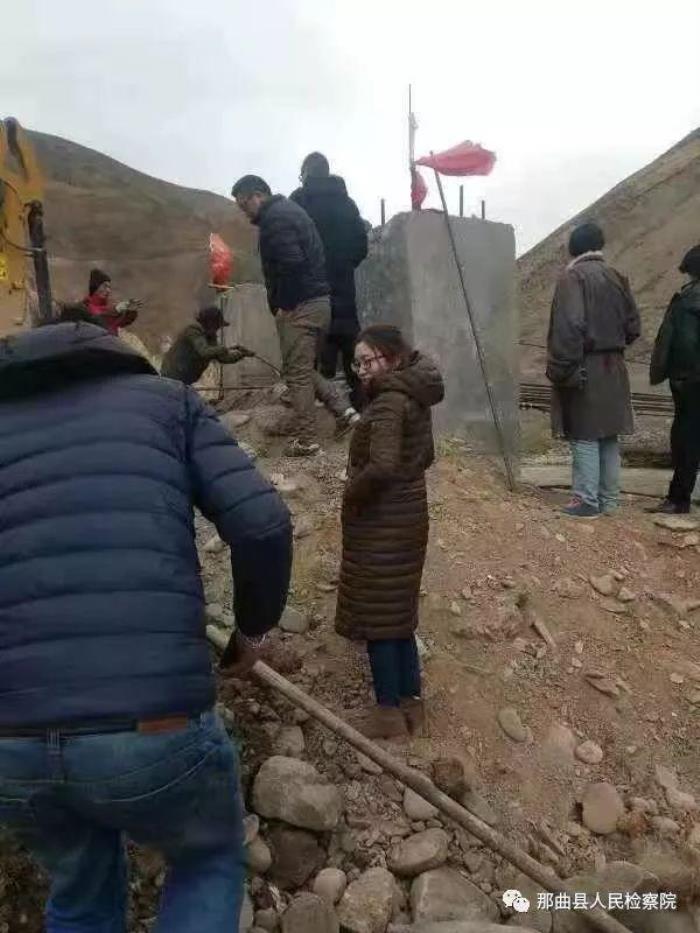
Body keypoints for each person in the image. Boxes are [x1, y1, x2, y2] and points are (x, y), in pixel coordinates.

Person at [0, 319, 292, 933]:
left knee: (80, 897)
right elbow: (262, 524)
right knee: (208, 858)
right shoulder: (167, 402)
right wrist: (251, 633)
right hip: (151, 727)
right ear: (113, 349)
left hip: (13, 744)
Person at [335, 325, 444, 740]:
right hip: (410, 516)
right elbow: (426, 455)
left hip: (382, 524)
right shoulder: (415, 396)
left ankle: (387, 713)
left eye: (368, 361)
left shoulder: (387, 404)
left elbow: (380, 466)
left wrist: (352, 492)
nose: (361, 370)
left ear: (393, 358)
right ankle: (411, 703)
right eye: (357, 363)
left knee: (379, 620)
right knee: (399, 616)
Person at [231, 174, 358, 457]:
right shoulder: (288, 211)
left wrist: (285, 305)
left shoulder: (275, 219)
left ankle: (307, 440)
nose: (243, 212)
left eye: (243, 204)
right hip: (318, 303)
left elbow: (291, 263)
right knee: (301, 368)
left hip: (301, 306)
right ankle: (345, 411)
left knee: (297, 375)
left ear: (257, 196)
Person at [546, 222, 640, 518]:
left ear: (573, 247)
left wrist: (562, 369)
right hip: (615, 366)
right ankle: (609, 501)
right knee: (609, 434)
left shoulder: (573, 278)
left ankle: (586, 500)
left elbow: (569, 327)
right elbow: (633, 327)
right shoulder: (617, 277)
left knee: (584, 431)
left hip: (584, 365)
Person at [290, 152, 368, 411]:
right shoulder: (347, 203)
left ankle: (320, 413)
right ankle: (361, 410)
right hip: (343, 287)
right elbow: (361, 246)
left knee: (309, 354)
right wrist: (343, 264)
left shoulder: (298, 201)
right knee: (351, 349)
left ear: (305, 174)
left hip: (309, 291)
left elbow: (288, 246)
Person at [648, 245, 700, 514]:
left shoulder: (688, 301)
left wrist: (679, 376)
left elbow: (684, 343)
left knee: (685, 438)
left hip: (690, 381)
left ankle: (679, 498)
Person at [161, 305, 255, 385]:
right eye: (217, 325)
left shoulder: (210, 336)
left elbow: (223, 358)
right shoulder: (193, 331)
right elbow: (204, 352)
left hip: (185, 380)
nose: (218, 328)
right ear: (210, 323)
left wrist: (241, 354)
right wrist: (223, 349)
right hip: (172, 377)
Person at [84, 268, 142, 336]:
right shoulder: (85, 306)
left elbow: (120, 322)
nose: (108, 290)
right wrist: (116, 309)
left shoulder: (107, 306)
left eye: (109, 287)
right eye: (105, 286)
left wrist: (130, 312)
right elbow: (97, 319)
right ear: (95, 287)